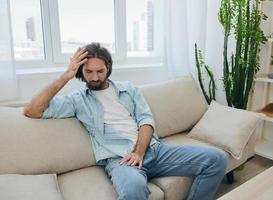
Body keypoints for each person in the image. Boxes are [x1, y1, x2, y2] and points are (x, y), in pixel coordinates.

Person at [24, 42, 227, 200]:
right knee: (133, 190)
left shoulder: (128, 89)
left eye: (100, 71)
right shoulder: (77, 101)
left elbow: (146, 120)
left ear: (108, 68)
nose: (94, 77)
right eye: (88, 72)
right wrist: (66, 75)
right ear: (81, 72)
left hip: (154, 150)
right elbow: (32, 110)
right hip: (120, 160)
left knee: (217, 159)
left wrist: (139, 152)